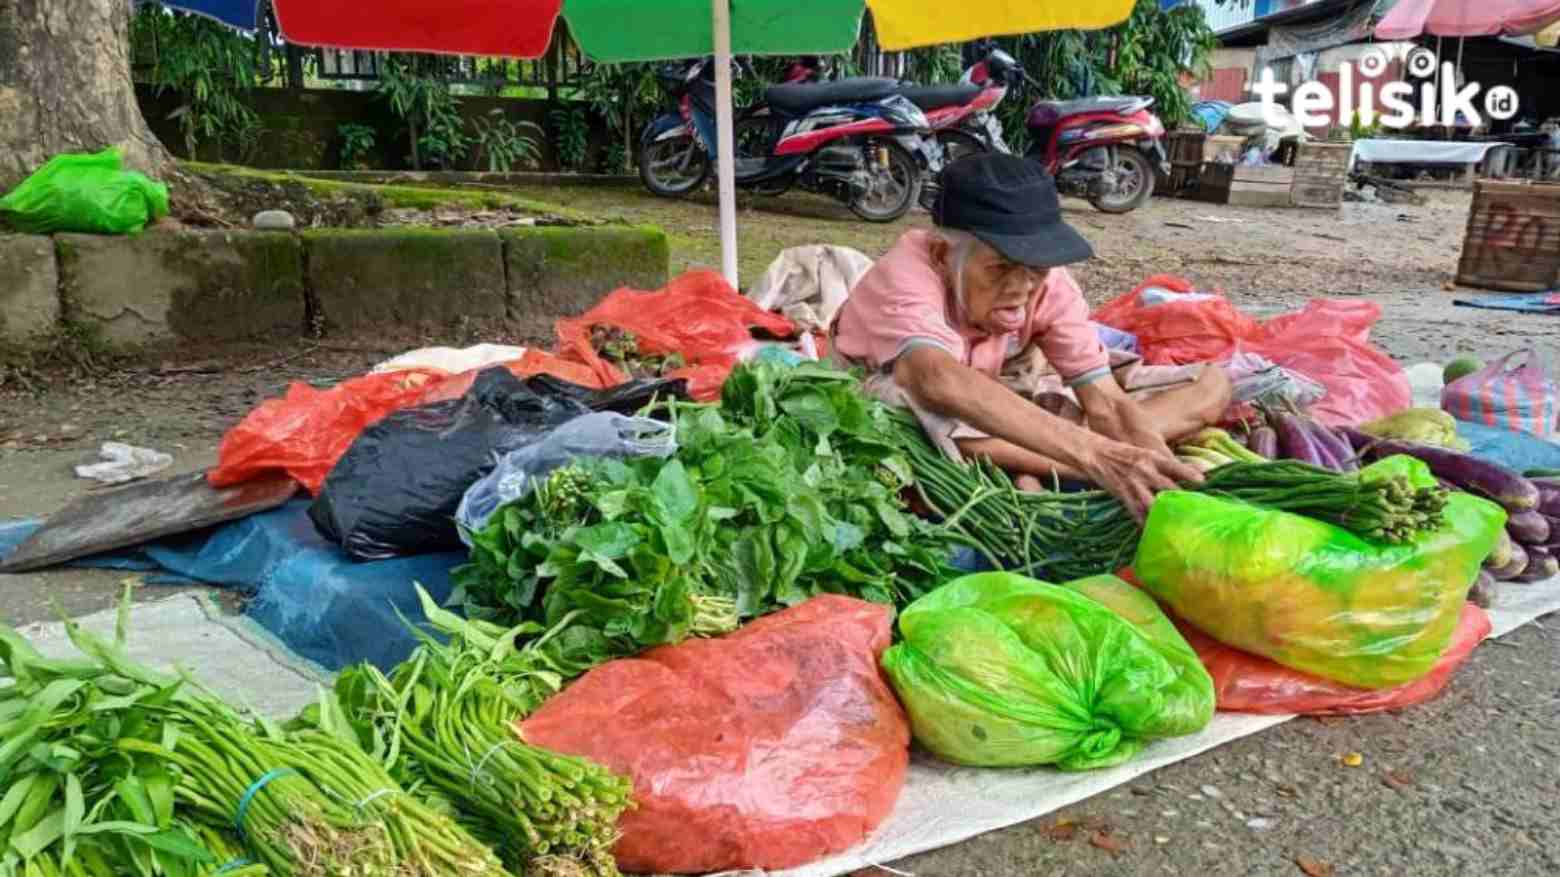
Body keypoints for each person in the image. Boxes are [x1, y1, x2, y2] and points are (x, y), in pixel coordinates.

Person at [831, 154, 1232, 519]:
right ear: (941, 255)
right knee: (914, 410)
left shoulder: (1047, 281)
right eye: (1000, 268)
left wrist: (1160, 475)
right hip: (919, 401)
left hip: (996, 394)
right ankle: (1059, 462)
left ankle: (1042, 461)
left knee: (1211, 384)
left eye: (1036, 268)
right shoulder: (906, 273)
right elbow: (935, 377)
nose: (1022, 287)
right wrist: (1097, 456)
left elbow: (1106, 401)